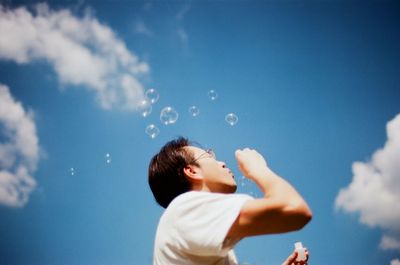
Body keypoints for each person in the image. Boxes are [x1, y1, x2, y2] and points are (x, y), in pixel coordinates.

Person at [148, 137, 312, 265]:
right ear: (192, 171)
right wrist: (258, 168)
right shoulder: (184, 208)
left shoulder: (192, 224)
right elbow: (295, 209)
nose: (222, 162)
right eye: (209, 155)